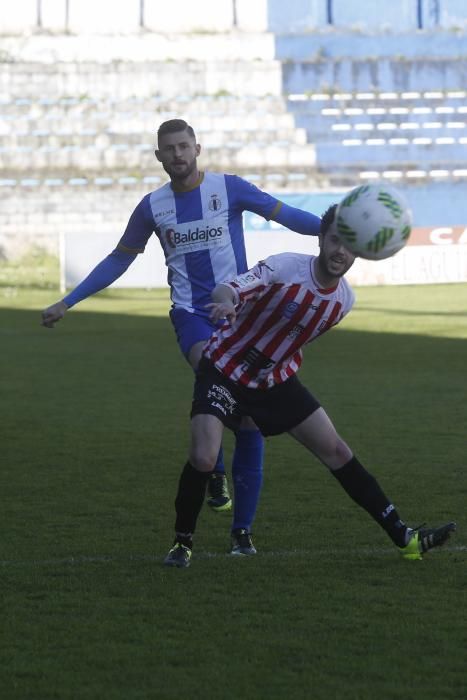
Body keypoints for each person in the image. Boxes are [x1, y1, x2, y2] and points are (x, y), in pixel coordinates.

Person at [41, 118, 322, 553]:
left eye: (183, 146)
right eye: (168, 149)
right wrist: (68, 301)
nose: (177, 154)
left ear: (197, 148)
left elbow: (287, 216)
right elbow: (119, 259)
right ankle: (214, 469)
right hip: (192, 316)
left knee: (248, 419)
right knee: (215, 373)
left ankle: (241, 532)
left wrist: (333, 231)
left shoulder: (230, 188)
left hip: (240, 313)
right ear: (158, 156)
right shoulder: (153, 206)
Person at [163, 203, 456, 567]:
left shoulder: (344, 301)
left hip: (274, 382)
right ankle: (182, 543)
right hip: (224, 367)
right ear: (321, 237)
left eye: (350, 244)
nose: (340, 251)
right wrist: (227, 303)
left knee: (337, 450)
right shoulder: (287, 266)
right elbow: (231, 288)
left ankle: (405, 538)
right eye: (334, 240)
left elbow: (291, 341)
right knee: (204, 456)